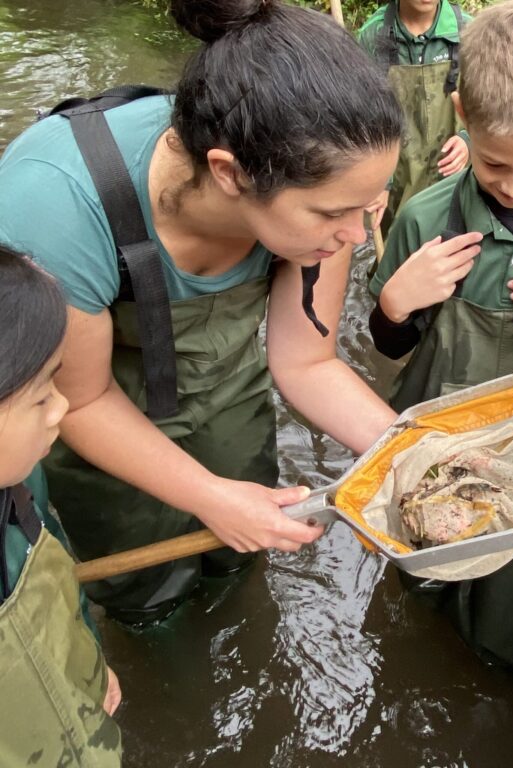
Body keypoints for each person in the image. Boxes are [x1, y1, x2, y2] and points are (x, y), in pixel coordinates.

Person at [0, 0, 402, 625]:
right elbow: (78, 398)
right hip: (100, 406)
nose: (356, 234)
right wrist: (210, 496)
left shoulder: (328, 190)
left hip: (229, 395)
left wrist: (412, 453)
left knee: (236, 559)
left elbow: (308, 362)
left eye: (369, 206)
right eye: (331, 215)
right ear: (229, 174)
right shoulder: (56, 204)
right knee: (145, 588)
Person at [368, 0, 513, 673]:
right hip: (441, 436)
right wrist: (393, 301)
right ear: (463, 114)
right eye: (497, 167)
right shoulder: (424, 216)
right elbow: (388, 347)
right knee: (423, 574)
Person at [0, 246, 122, 766]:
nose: (63, 408)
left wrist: (88, 666)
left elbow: (58, 587)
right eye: (40, 396)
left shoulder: (24, 484)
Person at [358, 0, 472, 236]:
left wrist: (468, 140)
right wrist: (379, 181)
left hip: (453, 178)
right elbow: (362, 116)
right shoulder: (372, 36)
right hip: (396, 177)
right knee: (398, 253)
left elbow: (488, 104)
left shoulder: (469, 32)